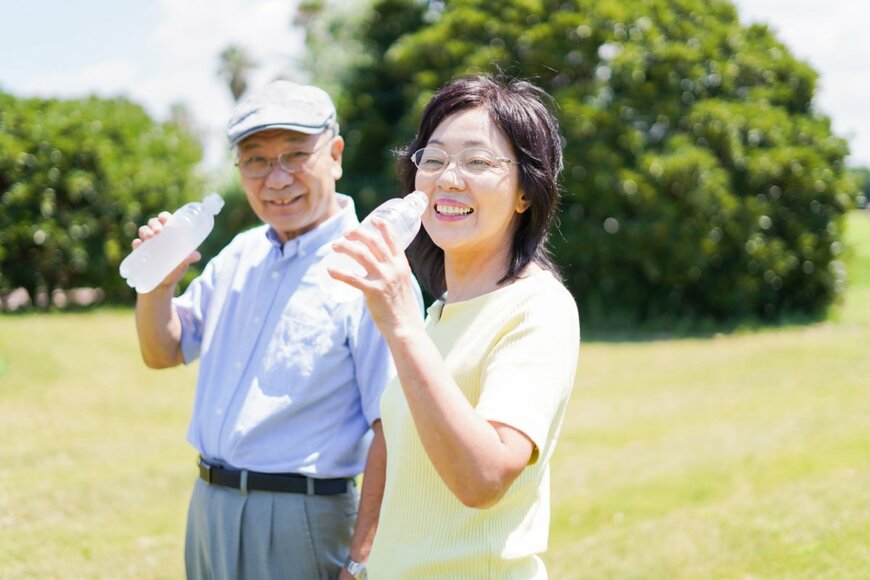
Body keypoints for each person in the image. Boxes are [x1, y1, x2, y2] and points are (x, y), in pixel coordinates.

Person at [131, 80, 405, 579]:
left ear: (335, 154)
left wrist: (362, 560)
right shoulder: (239, 254)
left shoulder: (370, 267)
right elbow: (163, 350)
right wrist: (157, 284)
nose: (276, 179)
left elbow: (395, 426)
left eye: (296, 154)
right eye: (255, 160)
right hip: (209, 506)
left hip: (303, 519)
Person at [328, 74, 580, 577]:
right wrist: (361, 565)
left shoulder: (539, 307)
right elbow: (399, 456)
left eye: (478, 162)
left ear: (526, 193)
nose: (448, 179)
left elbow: (484, 477)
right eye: (434, 158)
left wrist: (402, 328)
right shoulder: (438, 313)